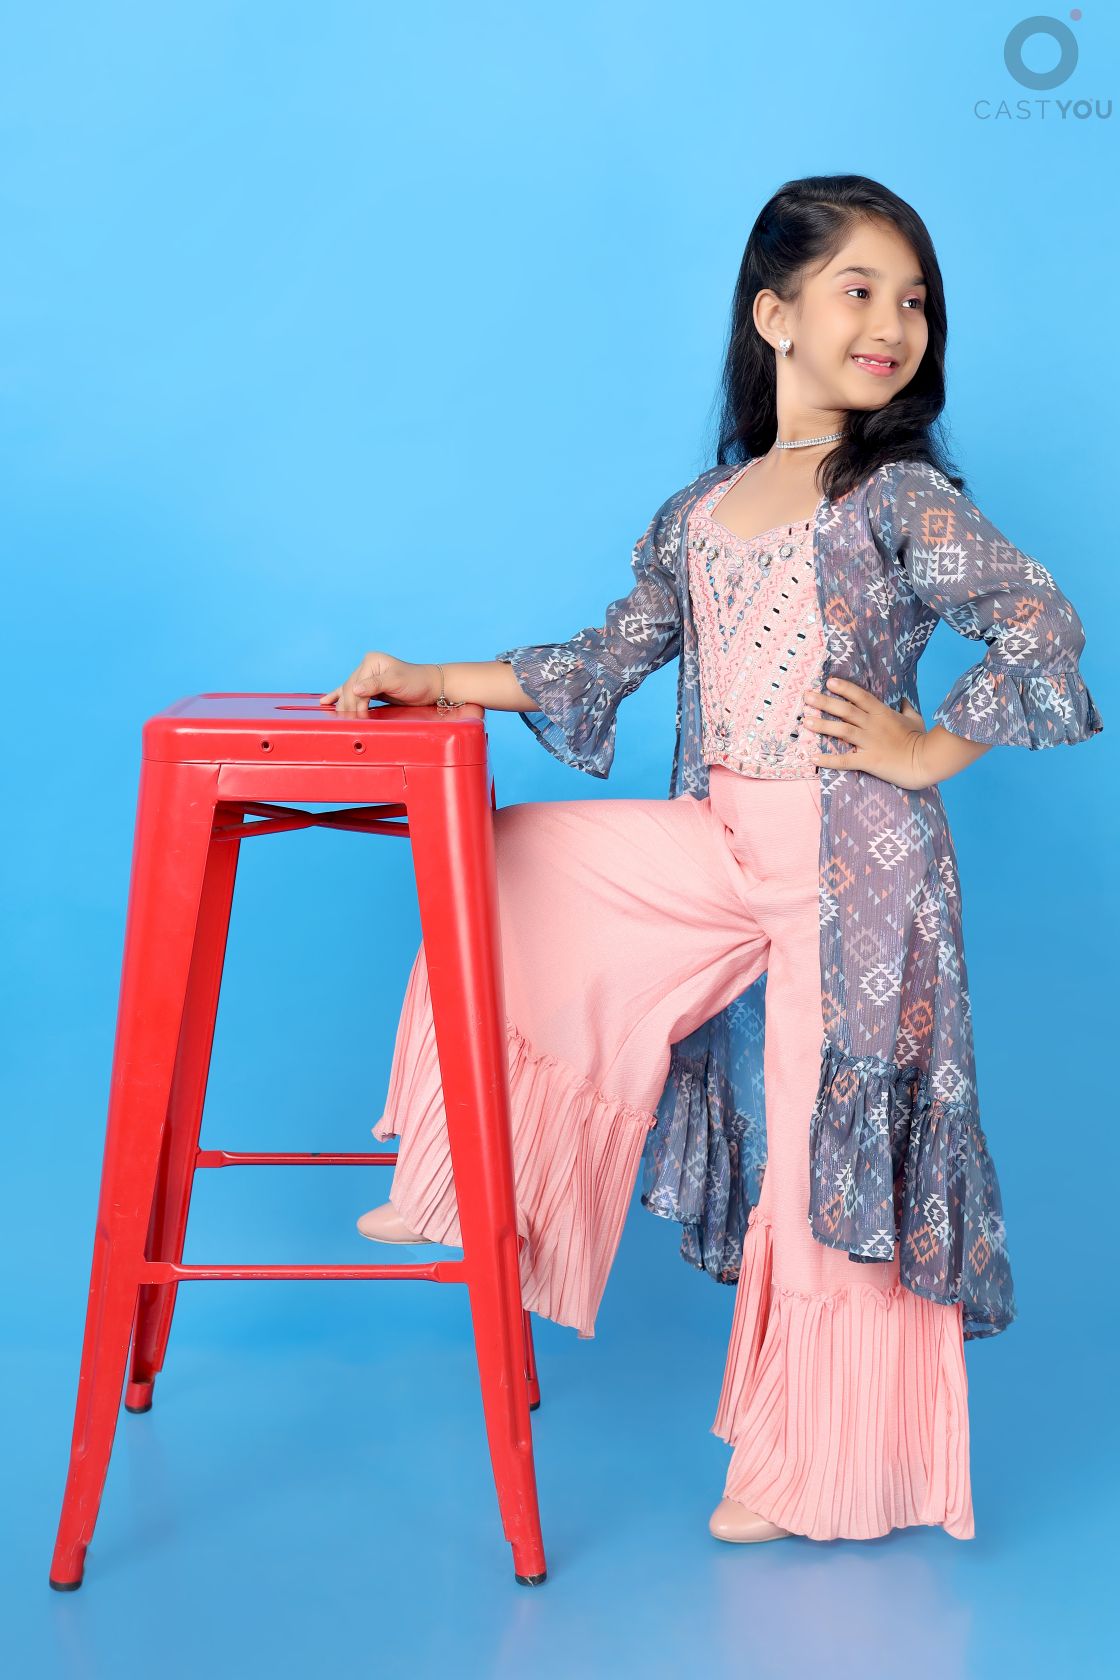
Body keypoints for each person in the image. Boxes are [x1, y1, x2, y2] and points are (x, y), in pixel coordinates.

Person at [319, 174, 1103, 1545]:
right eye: (859, 290)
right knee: (512, 864)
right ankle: (475, 1181)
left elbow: (1043, 622)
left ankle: (817, 1473)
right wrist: (428, 678)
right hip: (722, 841)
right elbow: (604, 656)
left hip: (859, 882)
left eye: (915, 301)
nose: (894, 324)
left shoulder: (898, 496)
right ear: (774, 314)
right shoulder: (701, 512)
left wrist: (926, 750)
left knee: (820, 1171)